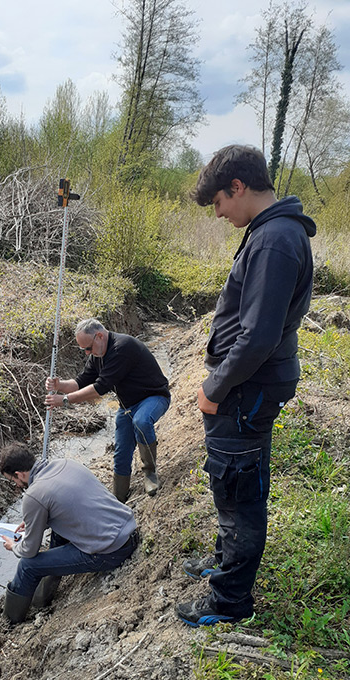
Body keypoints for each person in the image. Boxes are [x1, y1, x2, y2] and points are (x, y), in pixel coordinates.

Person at [177, 144, 315, 627]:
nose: (218, 214)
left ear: (237, 187)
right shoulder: (272, 231)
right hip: (247, 387)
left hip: (245, 389)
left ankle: (229, 601)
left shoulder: (274, 239)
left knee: (240, 494)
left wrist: (214, 387)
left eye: (218, 203)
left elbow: (257, 336)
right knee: (231, 484)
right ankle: (223, 561)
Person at [0, 441, 138, 623]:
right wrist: (36, 520)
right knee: (58, 532)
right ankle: (41, 599)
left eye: (13, 481)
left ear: (19, 474)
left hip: (110, 552)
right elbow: (67, 506)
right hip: (127, 530)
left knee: (27, 566)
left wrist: (14, 546)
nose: (16, 485)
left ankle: (10, 620)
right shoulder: (65, 464)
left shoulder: (33, 495)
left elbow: (29, 551)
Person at [44, 319, 170, 502]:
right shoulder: (97, 355)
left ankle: (150, 473)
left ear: (100, 336)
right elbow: (80, 382)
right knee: (121, 453)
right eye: (84, 350)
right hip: (128, 406)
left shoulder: (122, 348)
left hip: (154, 398)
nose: (88, 353)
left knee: (141, 422)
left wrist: (64, 400)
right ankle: (119, 497)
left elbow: (100, 388)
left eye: (88, 348)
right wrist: (60, 385)